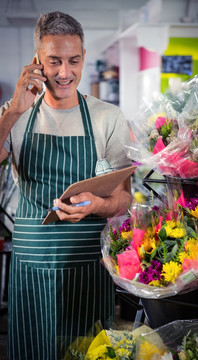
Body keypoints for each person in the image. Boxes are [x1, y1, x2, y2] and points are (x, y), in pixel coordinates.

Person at [0, 11, 132, 360]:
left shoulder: (108, 117)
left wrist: (99, 205)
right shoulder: (15, 116)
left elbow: (124, 197)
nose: (64, 72)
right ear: (36, 62)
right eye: (53, 62)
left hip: (88, 265)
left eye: (73, 61)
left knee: (89, 353)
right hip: (31, 267)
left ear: (84, 57)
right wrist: (13, 111)